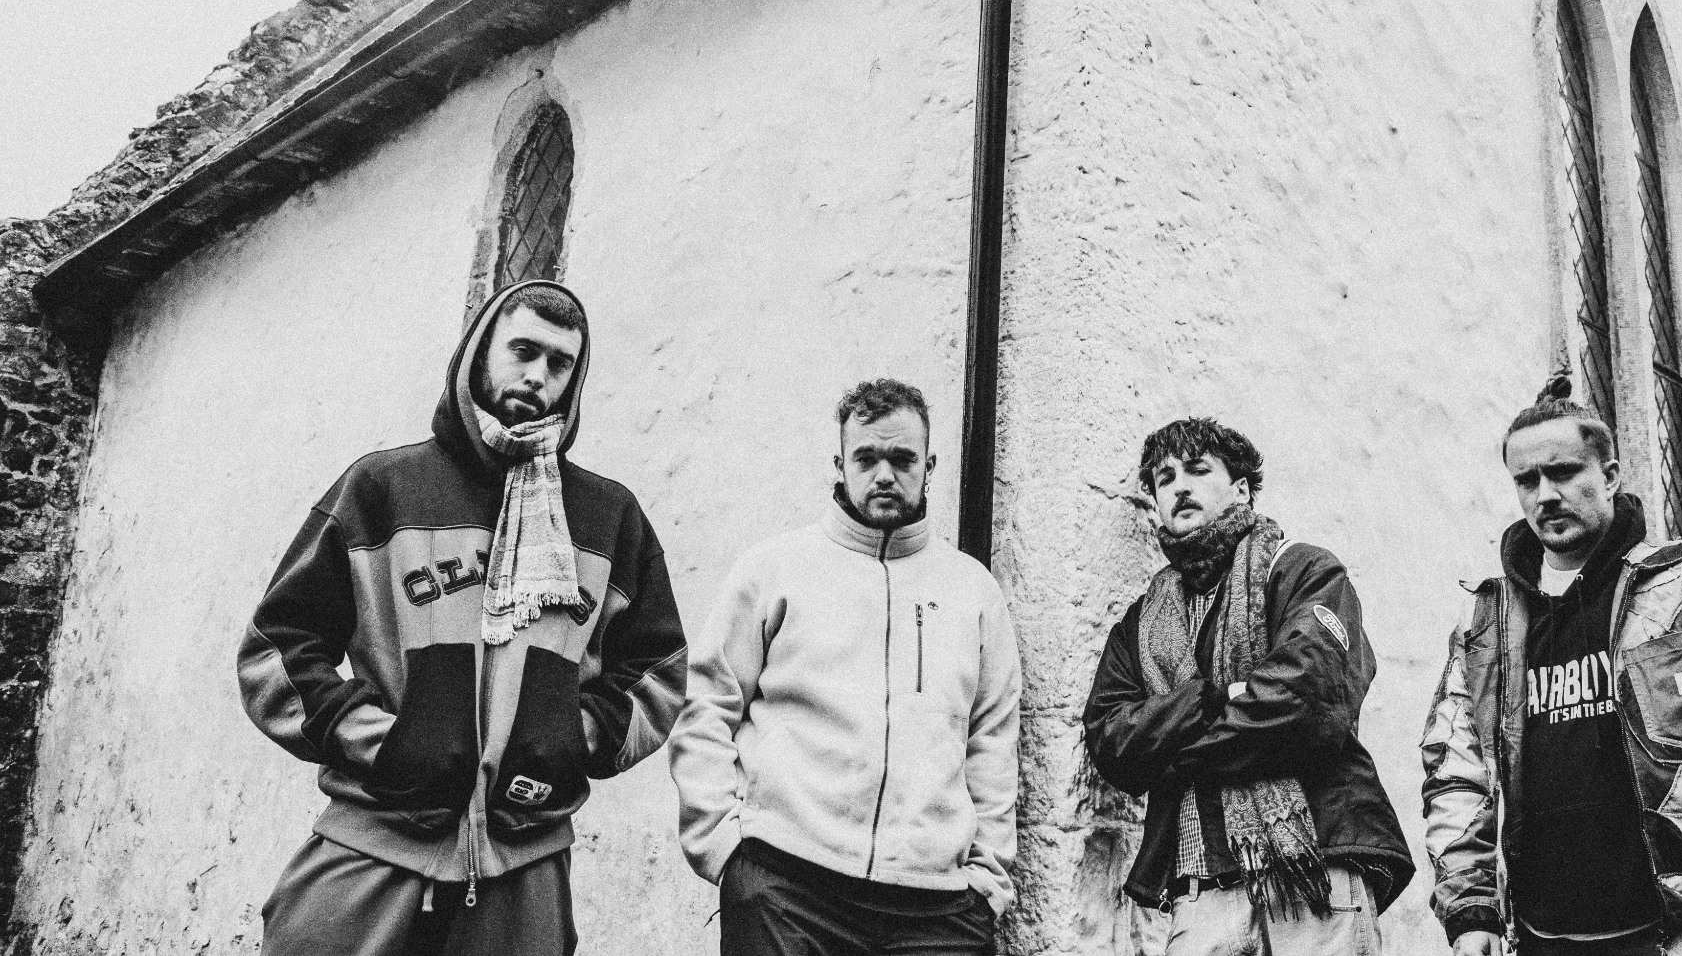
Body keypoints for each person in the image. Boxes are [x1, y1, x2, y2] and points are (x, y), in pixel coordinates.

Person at [239, 281, 687, 955]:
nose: (537, 376)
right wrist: (383, 742)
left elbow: (658, 668)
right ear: (480, 353)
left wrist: (575, 736)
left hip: (525, 860)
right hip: (375, 839)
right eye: (523, 351)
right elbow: (277, 646)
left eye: (560, 363)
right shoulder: (382, 488)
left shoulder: (608, 517)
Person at [1421, 377, 1682, 956]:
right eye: (1527, 480)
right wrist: (1470, 910)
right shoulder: (1488, 624)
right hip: (1534, 938)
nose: (1545, 495)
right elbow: (1456, 774)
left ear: (1610, 476)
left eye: (1563, 472)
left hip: (1676, 936)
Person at [670, 378, 1021, 956]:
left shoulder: (973, 591)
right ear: (840, 465)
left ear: (929, 466)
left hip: (934, 907)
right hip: (789, 887)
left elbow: (993, 741)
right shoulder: (775, 568)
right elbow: (707, 706)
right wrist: (726, 853)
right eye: (866, 458)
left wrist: (985, 884)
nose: (884, 474)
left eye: (902, 459)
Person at [1083, 417, 1413, 955]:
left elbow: (1306, 703)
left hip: (1314, 869)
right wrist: (1213, 698)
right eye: (1166, 478)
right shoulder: (1142, 624)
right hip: (1198, 891)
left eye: (1198, 470)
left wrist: (1170, 741)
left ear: (1240, 489)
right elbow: (1113, 742)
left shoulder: (1302, 571)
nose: (1180, 487)